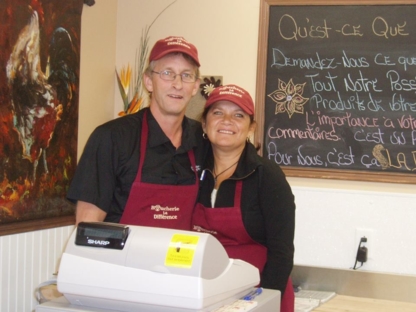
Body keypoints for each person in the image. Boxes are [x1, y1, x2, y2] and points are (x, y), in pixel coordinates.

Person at [67, 36, 206, 229]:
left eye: (186, 75)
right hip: (121, 258)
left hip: (179, 258)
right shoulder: (111, 138)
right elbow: (87, 224)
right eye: (167, 73)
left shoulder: (203, 139)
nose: (178, 84)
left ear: (195, 87)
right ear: (148, 81)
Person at [192, 84, 296, 311]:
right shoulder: (191, 170)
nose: (227, 120)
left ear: (251, 127)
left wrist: (263, 302)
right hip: (206, 291)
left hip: (258, 288)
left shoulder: (266, 175)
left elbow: (282, 252)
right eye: (218, 113)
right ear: (204, 123)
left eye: (238, 115)